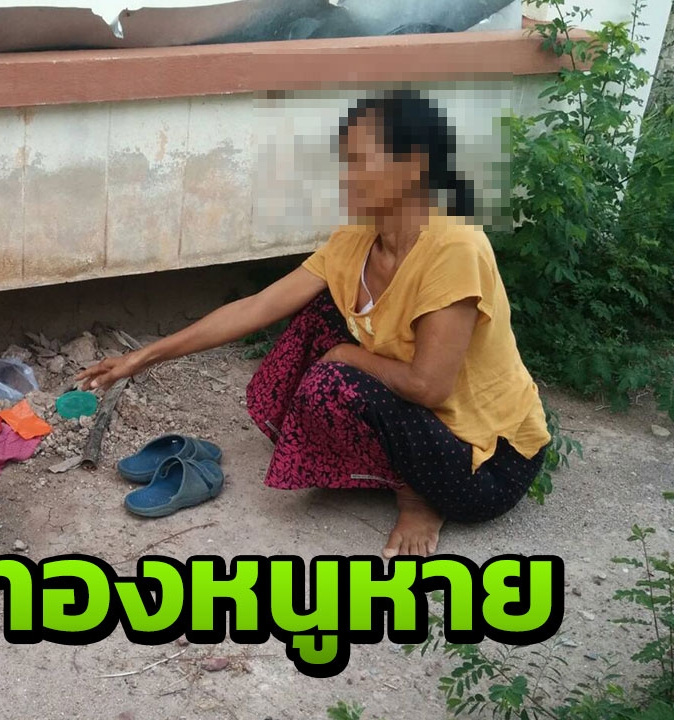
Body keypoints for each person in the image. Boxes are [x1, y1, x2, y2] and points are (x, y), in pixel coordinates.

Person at [78, 89, 550, 560]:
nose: (345, 176)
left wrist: (347, 355)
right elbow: (257, 306)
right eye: (344, 161)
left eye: (359, 162)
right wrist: (142, 358)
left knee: (335, 378)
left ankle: (419, 499)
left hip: (485, 464)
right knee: (319, 315)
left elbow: (430, 386)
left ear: (413, 166)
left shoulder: (455, 246)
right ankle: (388, 471)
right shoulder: (358, 239)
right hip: (422, 426)